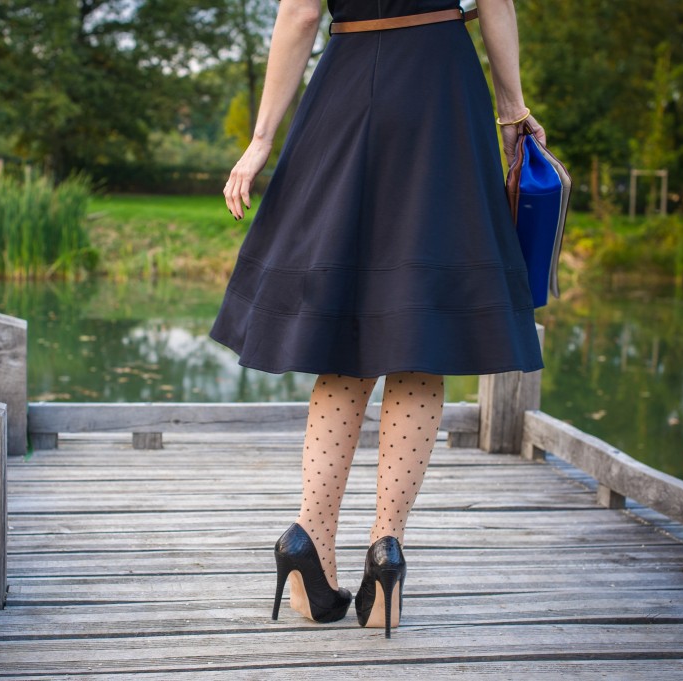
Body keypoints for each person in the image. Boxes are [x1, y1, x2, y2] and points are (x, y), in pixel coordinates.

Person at [209, 0, 546, 638]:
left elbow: (300, 14)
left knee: (346, 331)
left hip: (346, 83)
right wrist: (512, 108)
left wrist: (260, 141)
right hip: (442, 90)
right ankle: (386, 550)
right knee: (421, 337)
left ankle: (309, 538)